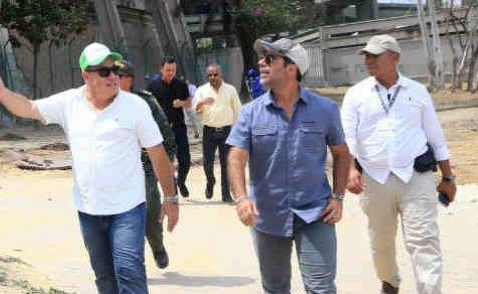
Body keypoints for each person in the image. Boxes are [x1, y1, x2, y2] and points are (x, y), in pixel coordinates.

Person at [0, 42, 179, 294]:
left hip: (128, 208)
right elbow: (29, 108)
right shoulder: (70, 102)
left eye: (114, 70)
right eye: (104, 72)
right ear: (86, 76)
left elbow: (157, 152)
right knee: (104, 279)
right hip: (89, 210)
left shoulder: (135, 106)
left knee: (129, 272)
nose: (113, 76)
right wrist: (3, 94)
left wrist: (170, 197)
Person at [227, 37, 352, 294]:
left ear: (291, 68)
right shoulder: (250, 113)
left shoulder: (325, 109)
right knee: (275, 289)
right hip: (268, 216)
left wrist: (338, 197)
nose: (261, 63)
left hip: (315, 213)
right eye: (262, 58)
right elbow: (236, 157)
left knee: (321, 289)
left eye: (270, 59)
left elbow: (341, 153)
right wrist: (241, 199)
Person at [341, 34, 456, 294]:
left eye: (375, 55)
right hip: (374, 177)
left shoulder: (417, 91)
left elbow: (435, 136)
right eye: (367, 56)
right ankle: (389, 281)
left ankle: (429, 290)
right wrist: (350, 170)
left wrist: (448, 177)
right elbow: (346, 137)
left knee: (424, 239)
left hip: (415, 176)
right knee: (380, 241)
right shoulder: (356, 94)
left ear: (395, 57)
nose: (369, 61)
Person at [116, 57, 177, 269]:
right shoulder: (103, 103)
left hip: (145, 166)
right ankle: (131, 259)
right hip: (117, 170)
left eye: (120, 76)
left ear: (130, 80)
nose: (114, 80)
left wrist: (168, 162)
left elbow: (166, 135)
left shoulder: (145, 102)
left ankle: (157, 246)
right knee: (124, 216)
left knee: (150, 209)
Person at [194, 63, 241, 202]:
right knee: (207, 163)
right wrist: (201, 103)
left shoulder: (230, 90)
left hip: (226, 131)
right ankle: (210, 181)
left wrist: (239, 131)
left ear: (221, 74)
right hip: (209, 131)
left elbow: (238, 110)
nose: (213, 77)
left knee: (226, 164)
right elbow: (195, 108)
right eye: (210, 75)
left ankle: (226, 194)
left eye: (215, 74)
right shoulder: (201, 90)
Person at [147, 58, 192, 197]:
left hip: (179, 127)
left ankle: (181, 181)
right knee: (167, 161)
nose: (170, 73)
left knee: (185, 159)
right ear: (161, 69)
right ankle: (172, 188)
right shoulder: (152, 86)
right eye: (167, 70)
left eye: (173, 70)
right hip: (161, 130)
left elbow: (189, 102)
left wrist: (182, 103)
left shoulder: (181, 85)